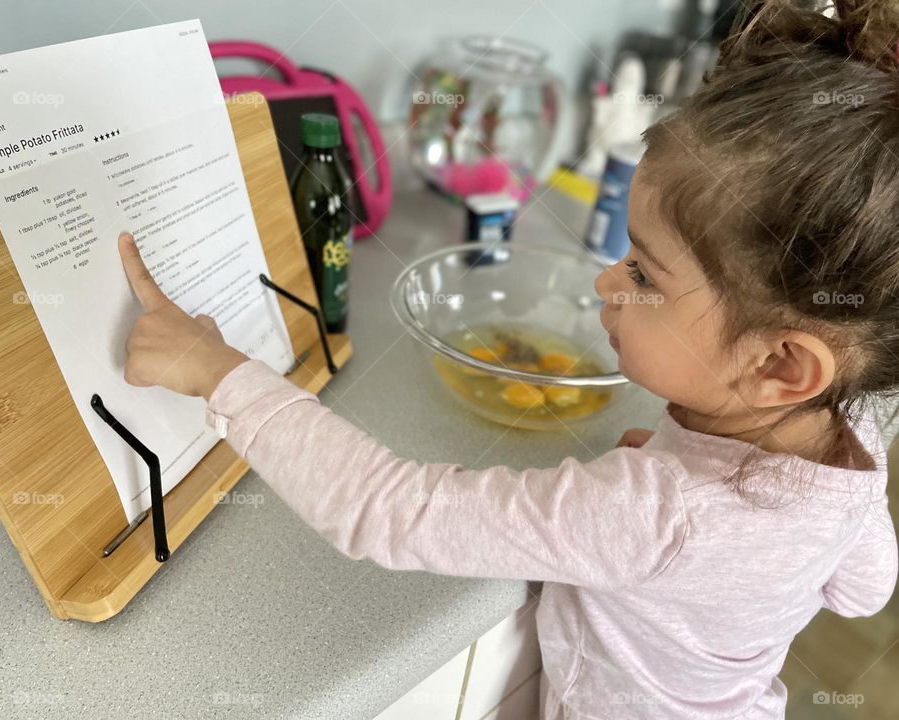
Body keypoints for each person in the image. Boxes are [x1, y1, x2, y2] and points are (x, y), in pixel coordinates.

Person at [115, 1, 899, 716]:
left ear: (782, 368)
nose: (605, 277)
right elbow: (864, 589)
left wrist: (219, 371)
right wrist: (702, 536)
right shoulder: (850, 449)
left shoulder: (655, 515)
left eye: (642, 272)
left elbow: (385, 511)